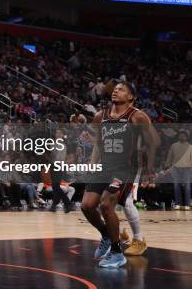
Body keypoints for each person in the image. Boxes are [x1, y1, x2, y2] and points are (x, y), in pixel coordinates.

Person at [80, 82, 159, 268]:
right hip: (105, 167)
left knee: (107, 204)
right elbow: (99, 144)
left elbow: (153, 142)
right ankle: (107, 234)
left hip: (125, 169)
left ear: (131, 97)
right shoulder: (101, 116)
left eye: (122, 89)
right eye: (115, 88)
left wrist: (150, 169)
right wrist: (92, 164)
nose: (116, 90)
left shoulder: (137, 116)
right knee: (87, 206)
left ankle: (117, 253)